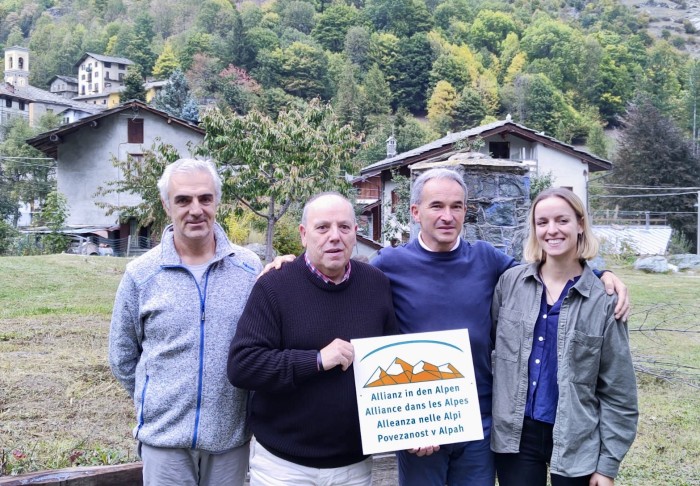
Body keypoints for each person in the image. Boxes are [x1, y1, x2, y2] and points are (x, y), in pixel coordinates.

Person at [264, 168, 630, 486]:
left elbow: (547, 272)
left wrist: (600, 274)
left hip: (479, 424)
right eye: (436, 206)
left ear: (465, 211)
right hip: (419, 424)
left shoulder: (487, 260)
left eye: (456, 206)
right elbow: (339, 270)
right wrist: (291, 265)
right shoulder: (388, 265)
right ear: (415, 212)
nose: (447, 216)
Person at [108, 158, 262, 486]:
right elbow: (122, 357)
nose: (196, 210)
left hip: (229, 441)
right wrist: (158, 399)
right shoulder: (141, 274)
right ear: (167, 205)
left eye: (205, 198)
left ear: (217, 202)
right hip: (164, 443)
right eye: (183, 200)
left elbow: (261, 346)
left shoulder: (248, 269)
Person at [227, 192, 398, 486]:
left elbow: (393, 361)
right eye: (323, 228)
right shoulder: (274, 286)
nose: (335, 237)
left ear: (355, 233)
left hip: (354, 466)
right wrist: (315, 360)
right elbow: (242, 366)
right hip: (284, 467)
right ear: (304, 234)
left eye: (344, 227)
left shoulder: (376, 284)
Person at [490, 188, 638, 486]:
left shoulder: (604, 300)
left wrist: (607, 466)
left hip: (577, 438)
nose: (552, 230)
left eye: (562, 220)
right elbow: (492, 349)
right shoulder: (510, 284)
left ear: (580, 224)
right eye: (542, 222)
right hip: (515, 435)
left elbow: (618, 390)